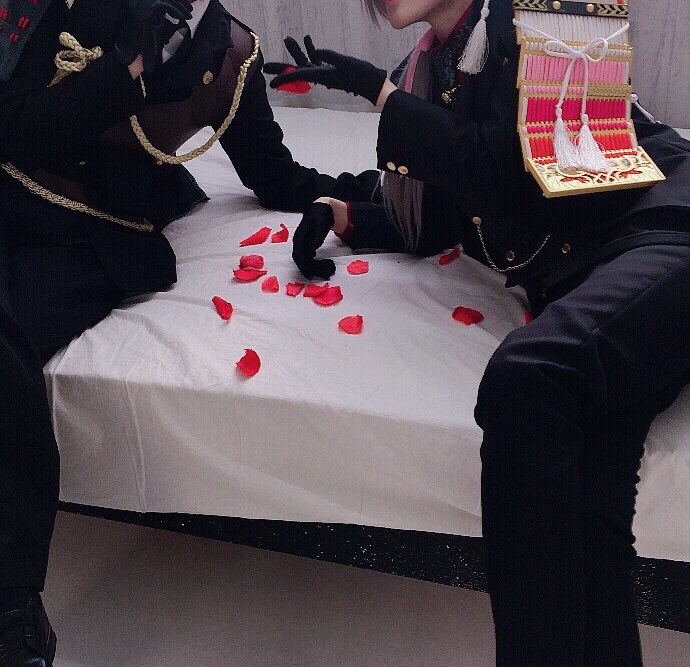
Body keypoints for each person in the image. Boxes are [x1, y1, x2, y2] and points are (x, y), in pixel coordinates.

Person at [265, 0, 690, 664]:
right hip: (596, 278)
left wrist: (380, 95)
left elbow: (519, 177)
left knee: (529, 375)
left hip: (665, 228)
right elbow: (460, 210)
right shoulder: (429, 73)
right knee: (589, 505)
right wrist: (346, 215)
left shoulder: (558, 18)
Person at [0, 1, 376, 665]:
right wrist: (125, 70)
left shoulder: (227, 50)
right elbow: (15, 131)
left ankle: (12, 609)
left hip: (91, 237)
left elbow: (275, 176)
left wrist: (378, 197)